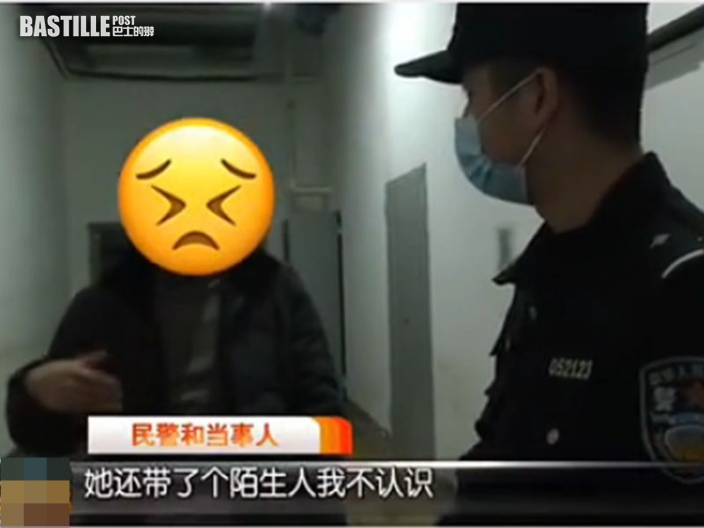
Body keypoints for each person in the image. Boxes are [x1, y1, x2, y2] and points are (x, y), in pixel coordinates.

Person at [395, 4, 704, 523]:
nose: (468, 122)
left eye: (472, 96)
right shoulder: (553, 266)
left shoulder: (682, 290)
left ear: (536, 96)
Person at [5, 243, 343, 454]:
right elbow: (38, 442)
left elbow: (324, 414)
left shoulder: (275, 291)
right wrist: (34, 392)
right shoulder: (104, 302)